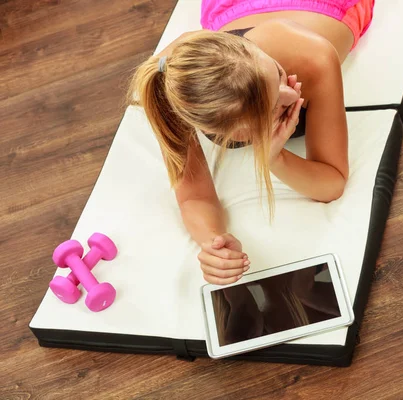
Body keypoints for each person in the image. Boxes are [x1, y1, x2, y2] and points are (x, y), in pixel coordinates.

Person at [127, 0, 375, 285]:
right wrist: (214, 243)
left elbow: (332, 183)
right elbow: (194, 195)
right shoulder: (173, 88)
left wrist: (274, 158)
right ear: (224, 132)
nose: (291, 97)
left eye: (279, 73)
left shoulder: (313, 55)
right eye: (271, 110)